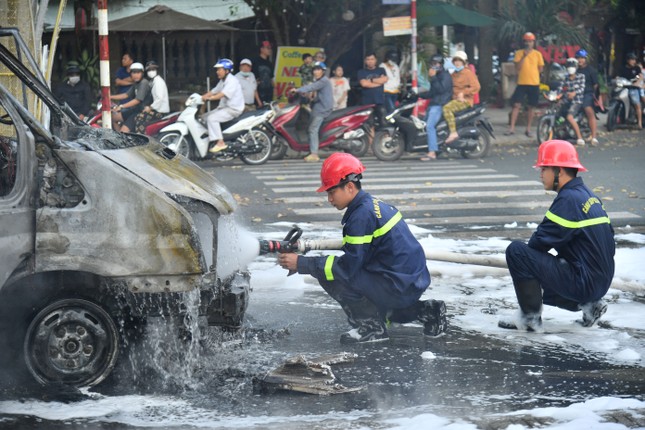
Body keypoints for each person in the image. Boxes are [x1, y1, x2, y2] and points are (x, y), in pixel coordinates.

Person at [277, 153, 447, 343]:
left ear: (349, 187)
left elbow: (348, 268)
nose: (329, 199)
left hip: (397, 286)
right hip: (410, 281)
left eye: (331, 192)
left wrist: (302, 263)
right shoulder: (374, 204)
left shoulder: (360, 216)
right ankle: (428, 311)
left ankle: (370, 328)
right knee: (377, 306)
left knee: (330, 273)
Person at [499, 140, 614, 332]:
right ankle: (590, 306)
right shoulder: (587, 195)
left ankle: (529, 319)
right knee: (540, 272)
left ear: (559, 171)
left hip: (584, 282)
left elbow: (538, 243)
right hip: (601, 282)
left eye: (544, 168)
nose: (540, 174)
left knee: (517, 252)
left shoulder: (568, 200)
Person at [290, 61, 333, 162]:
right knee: (309, 128)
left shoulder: (324, 81)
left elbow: (311, 87)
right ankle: (311, 150)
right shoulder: (319, 81)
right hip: (318, 108)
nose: (316, 72)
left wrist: (297, 90)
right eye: (314, 70)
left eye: (318, 70)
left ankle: (314, 154)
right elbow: (314, 94)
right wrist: (306, 95)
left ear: (323, 71)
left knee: (313, 129)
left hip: (322, 109)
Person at [506, 32, 545, 137]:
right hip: (522, 83)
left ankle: (528, 129)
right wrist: (524, 56)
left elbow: (540, 69)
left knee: (531, 106)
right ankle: (511, 128)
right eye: (527, 41)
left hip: (534, 83)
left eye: (530, 41)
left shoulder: (538, 54)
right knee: (516, 105)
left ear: (533, 42)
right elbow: (517, 67)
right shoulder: (519, 53)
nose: (528, 43)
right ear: (524, 42)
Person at [201, 58, 245, 153]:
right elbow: (214, 91)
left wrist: (210, 98)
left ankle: (220, 142)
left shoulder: (232, 81)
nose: (217, 72)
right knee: (204, 118)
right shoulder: (223, 81)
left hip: (233, 109)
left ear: (227, 70)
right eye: (217, 70)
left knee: (212, 118)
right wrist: (201, 97)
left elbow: (222, 94)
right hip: (225, 108)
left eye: (219, 69)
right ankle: (213, 138)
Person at [418, 54, 452, 161]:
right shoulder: (437, 76)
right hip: (434, 103)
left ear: (440, 64)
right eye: (432, 64)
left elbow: (441, 90)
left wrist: (433, 77)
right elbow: (433, 92)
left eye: (435, 64)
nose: (433, 66)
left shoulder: (445, 76)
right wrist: (418, 95)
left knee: (429, 126)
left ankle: (432, 152)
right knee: (422, 124)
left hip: (440, 105)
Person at [443, 51, 480, 144]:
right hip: (454, 99)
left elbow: (476, 87)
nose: (457, 63)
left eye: (460, 61)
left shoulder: (468, 73)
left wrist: (463, 93)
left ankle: (453, 133)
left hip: (465, 101)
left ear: (464, 62)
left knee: (447, 109)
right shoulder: (454, 74)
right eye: (455, 61)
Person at [110, 62, 152, 133]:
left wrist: (122, 106)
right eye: (133, 73)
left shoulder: (144, 83)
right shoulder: (136, 83)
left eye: (138, 73)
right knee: (114, 118)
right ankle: (119, 137)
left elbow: (137, 100)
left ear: (142, 73)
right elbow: (126, 95)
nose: (136, 75)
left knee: (124, 131)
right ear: (130, 74)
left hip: (141, 112)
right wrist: (109, 96)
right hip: (135, 110)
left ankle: (123, 139)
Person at [134, 60, 169, 134]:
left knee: (140, 118)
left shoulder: (158, 82)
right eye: (149, 70)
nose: (151, 71)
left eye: (153, 69)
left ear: (156, 70)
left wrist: (149, 108)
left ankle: (142, 139)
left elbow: (159, 99)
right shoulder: (154, 81)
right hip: (157, 110)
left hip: (161, 112)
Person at [575, 49, 601, 145]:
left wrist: (592, 95)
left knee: (589, 110)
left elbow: (595, 85)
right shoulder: (574, 70)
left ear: (585, 59)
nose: (580, 60)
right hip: (576, 93)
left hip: (587, 93)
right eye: (578, 58)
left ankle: (594, 137)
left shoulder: (591, 70)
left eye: (582, 58)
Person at [560, 58, 586, 146]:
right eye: (569, 66)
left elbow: (582, 88)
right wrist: (557, 94)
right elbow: (560, 88)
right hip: (566, 100)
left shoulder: (581, 76)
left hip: (577, 101)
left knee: (569, 117)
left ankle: (579, 138)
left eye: (572, 66)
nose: (571, 68)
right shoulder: (565, 78)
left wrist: (574, 93)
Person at [358, 52, 388, 126]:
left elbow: (384, 80)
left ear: (375, 60)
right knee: (369, 124)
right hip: (367, 103)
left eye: (372, 59)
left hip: (380, 101)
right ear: (365, 61)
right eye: (368, 59)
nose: (370, 61)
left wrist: (371, 80)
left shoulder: (381, 70)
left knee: (383, 122)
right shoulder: (361, 72)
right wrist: (378, 82)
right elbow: (364, 84)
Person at [618, 52, 642, 129]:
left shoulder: (636, 69)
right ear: (628, 60)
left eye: (634, 60)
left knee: (637, 105)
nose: (633, 61)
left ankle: (639, 123)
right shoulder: (622, 68)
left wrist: (637, 83)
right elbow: (618, 76)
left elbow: (640, 77)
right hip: (624, 87)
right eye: (632, 59)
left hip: (633, 88)